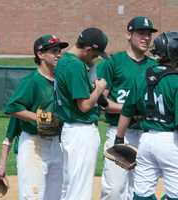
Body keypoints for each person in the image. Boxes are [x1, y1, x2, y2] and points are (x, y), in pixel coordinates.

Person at [97, 16, 158, 200]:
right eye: (141, 33)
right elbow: (103, 103)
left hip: (147, 135)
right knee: (114, 189)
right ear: (128, 35)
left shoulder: (154, 66)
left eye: (149, 34)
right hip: (120, 134)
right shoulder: (113, 63)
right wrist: (131, 108)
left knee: (140, 189)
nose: (146, 38)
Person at [3, 34, 69, 200]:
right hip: (33, 144)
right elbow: (12, 107)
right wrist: (41, 118)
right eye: (54, 50)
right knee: (32, 195)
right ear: (40, 54)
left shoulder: (61, 81)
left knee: (55, 196)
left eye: (60, 50)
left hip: (57, 144)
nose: (59, 54)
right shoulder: (32, 81)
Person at [116, 31, 178, 199]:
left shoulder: (142, 76)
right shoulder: (175, 80)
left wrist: (119, 139)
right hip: (171, 142)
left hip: (146, 142)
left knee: (142, 192)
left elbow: (127, 111)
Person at [54, 27, 108, 200]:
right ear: (88, 49)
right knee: (80, 190)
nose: (96, 57)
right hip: (80, 131)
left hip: (69, 130)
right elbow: (84, 106)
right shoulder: (75, 66)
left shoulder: (63, 60)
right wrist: (99, 89)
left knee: (68, 186)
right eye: (95, 54)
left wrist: (90, 67)